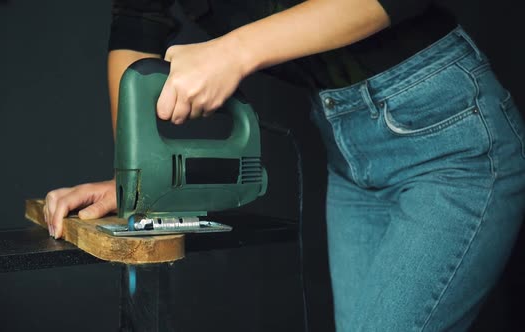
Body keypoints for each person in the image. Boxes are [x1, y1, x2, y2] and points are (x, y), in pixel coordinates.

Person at [45, 0, 525, 330]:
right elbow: (135, 27)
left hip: (448, 137)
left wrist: (233, 52)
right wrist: (133, 180)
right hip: (347, 153)